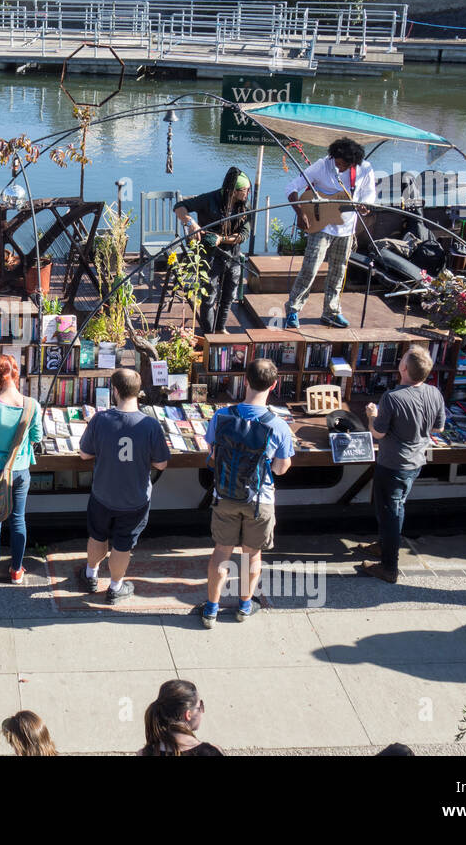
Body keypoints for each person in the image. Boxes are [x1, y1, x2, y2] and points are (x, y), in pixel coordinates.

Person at [202, 358, 295, 628]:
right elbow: (280, 469)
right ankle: (244, 606)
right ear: (274, 385)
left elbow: (213, 452)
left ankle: (211, 609)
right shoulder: (278, 426)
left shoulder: (222, 416)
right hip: (259, 501)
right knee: (252, 555)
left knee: (221, 552)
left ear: (245, 381)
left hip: (225, 495)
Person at [78, 368, 170, 604]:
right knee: (122, 545)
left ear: (115, 391)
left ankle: (90, 575)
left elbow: (84, 454)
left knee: (97, 536)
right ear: (138, 393)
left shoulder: (100, 419)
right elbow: (161, 463)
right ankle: (115, 587)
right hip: (135, 499)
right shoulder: (150, 425)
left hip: (103, 494)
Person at [359, 346, 446, 584]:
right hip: (415, 462)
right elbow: (438, 428)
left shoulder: (392, 398)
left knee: (390, 513)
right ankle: (384, 545)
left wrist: (371, 414)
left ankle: (389, 567)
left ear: (404, 368)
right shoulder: (435, 393)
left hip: (393, 465)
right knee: (394, 508)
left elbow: (377, 433)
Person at [283, 137, 377, 329]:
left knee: (338, 272)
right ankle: (293, 309)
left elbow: (369, 194)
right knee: (310, 269)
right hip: (322, 228)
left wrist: (366, 206)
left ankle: (331, 312)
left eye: (344, 165)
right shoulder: (321, 166)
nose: (339, 167)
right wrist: (300, 213)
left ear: (354, 163)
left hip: (346, 229)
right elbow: (291, 187)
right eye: (337, 162)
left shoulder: (365, 169)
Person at [0, 354, 44, 587]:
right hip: (20, 469)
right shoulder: (32, 405)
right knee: (17, 519)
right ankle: (16, 571)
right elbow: (37, 437)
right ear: (16, 374)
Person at [174, 167, 252, 335]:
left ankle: (221, 328)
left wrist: (221, 239)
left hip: (233, 256)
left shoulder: (244, 206)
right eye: (243, 190)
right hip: (209, 258)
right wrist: (191, 224)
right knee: (209, 298)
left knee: (228, 297)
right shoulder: (209, 199)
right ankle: (209, 335)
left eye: (248, 190)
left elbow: (244, 234)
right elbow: (179, 206)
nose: (246, 193)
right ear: (232, 191)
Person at [138, 679, 222, 755]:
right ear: (188, 714)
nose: (202, 711)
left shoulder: (143, 753)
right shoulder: (211, 752)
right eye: (200, 706)